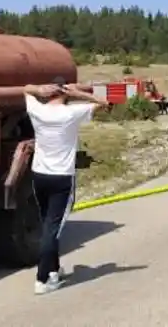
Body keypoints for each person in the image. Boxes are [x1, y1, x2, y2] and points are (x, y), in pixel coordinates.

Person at [24, 78, 109, 295]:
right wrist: (79, 93)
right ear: (65, 92)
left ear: (48, 92)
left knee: (47, 224)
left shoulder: (37, 110)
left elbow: (26, 88)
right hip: (61, 178)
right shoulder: (71, 113)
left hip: (39, 175)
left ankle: (53, 269)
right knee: (52, 229)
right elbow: (104, 102)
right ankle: (42, 280)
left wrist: (38, 88)